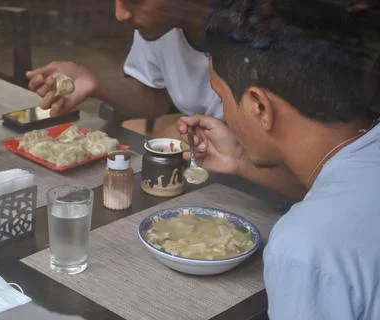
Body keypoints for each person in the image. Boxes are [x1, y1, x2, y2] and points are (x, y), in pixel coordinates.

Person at [178, 1, 380, 318]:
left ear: (259, 106)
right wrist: (241, 159)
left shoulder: (305, 248)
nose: (226, 114)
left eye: (222, 98)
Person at [26, 0, 222, 138]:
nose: (120, 15)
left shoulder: (247, 32)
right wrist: (96, 85)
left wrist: (190, 135)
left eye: (136, 0)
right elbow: (155, 97)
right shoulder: (161, 25)